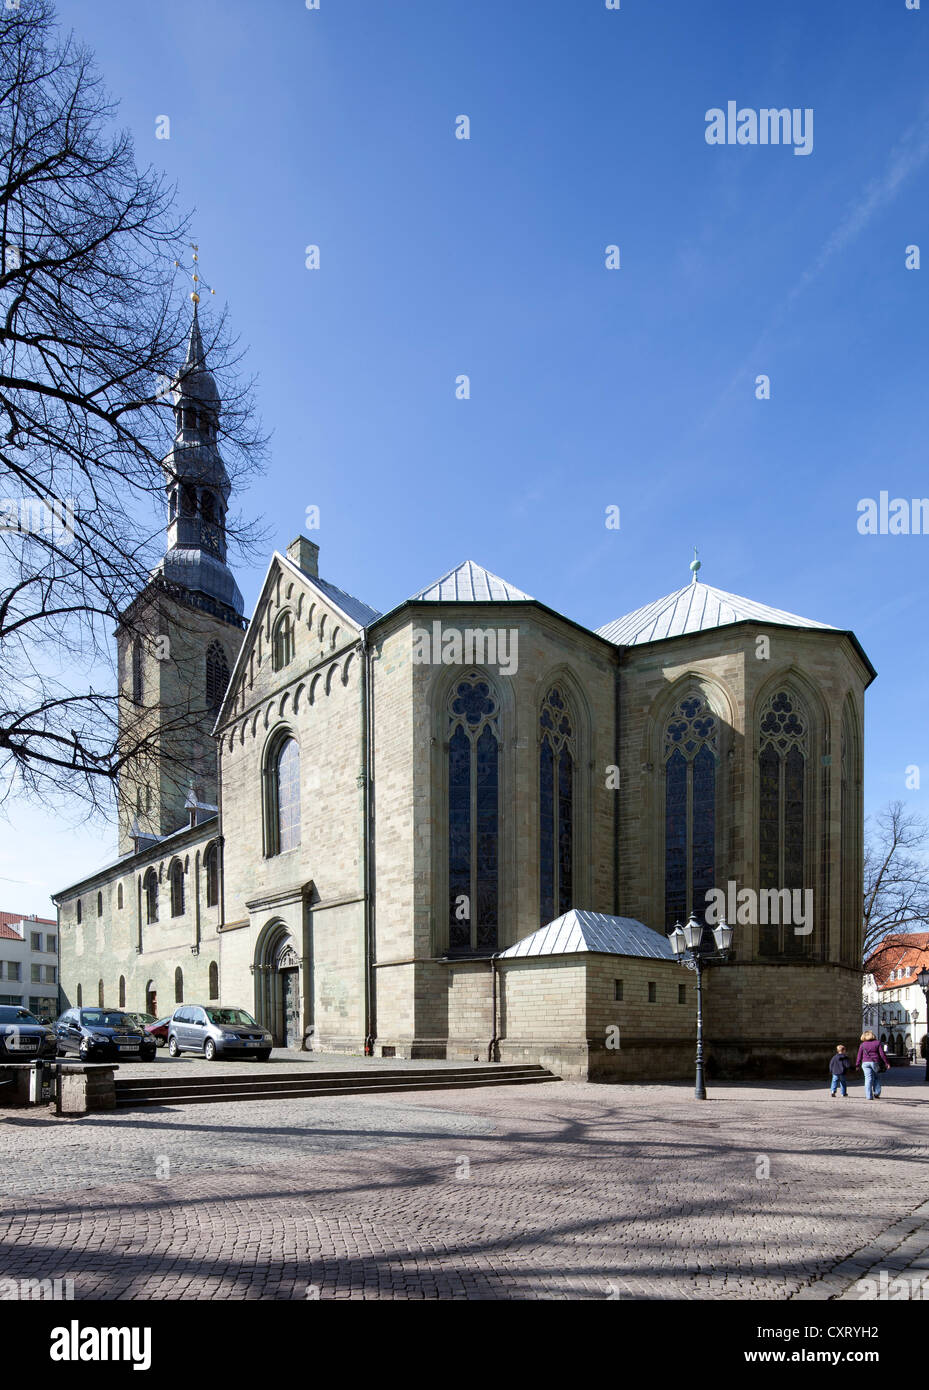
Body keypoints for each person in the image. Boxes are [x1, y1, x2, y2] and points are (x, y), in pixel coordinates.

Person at [856, 1031, 890, 1099]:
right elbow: (882, 1054)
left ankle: (869, 1096)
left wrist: (857, 1065)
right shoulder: (877, 1043)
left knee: (868, 1079)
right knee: (876, 1078)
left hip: (865, 1063)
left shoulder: (862, 1044)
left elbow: (859, 1056)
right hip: (875, 1062)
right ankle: (877, 1093)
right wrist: (887, 1063)